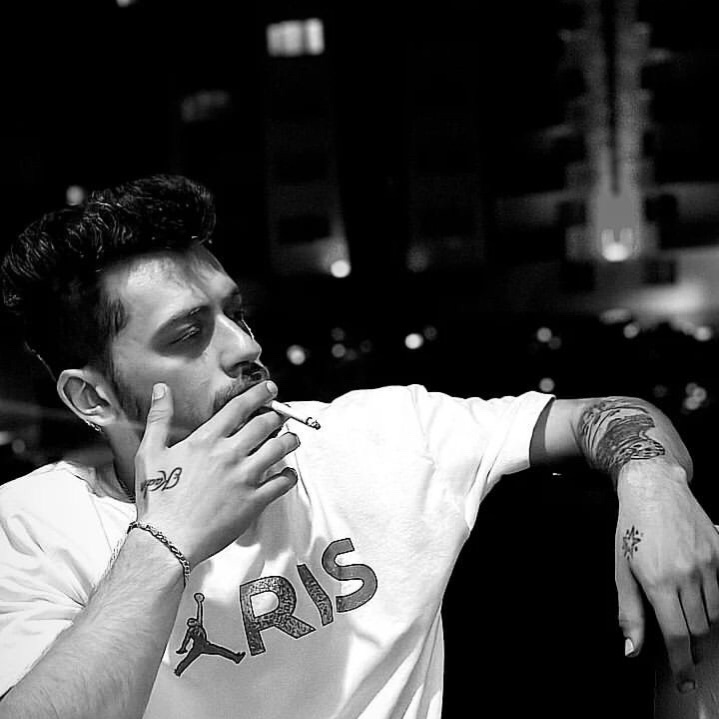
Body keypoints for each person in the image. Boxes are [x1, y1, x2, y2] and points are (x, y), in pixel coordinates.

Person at [0, 174, 716, 719]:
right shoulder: (32, 526)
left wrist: (652, 479)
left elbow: (604, 415)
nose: (244, 346)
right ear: (92, 398)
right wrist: (164, 543)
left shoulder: (376, 436)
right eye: (188, 335)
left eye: (236, 313)